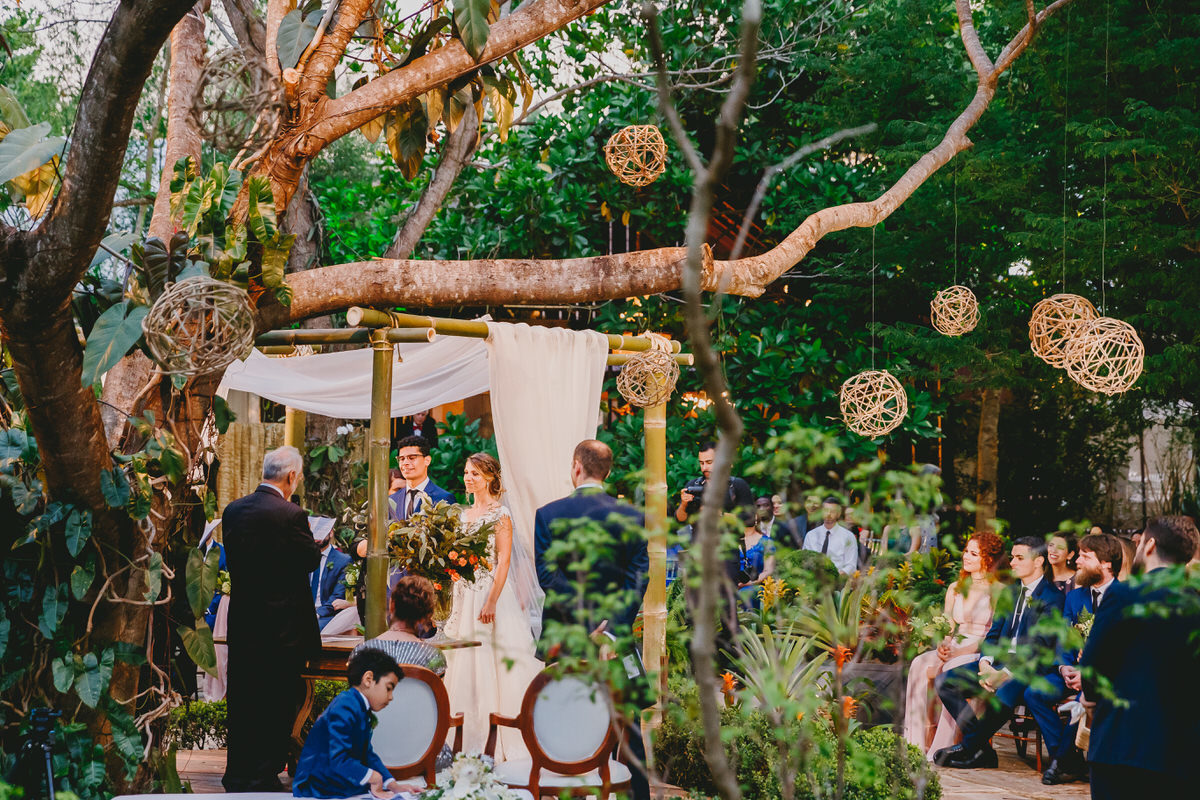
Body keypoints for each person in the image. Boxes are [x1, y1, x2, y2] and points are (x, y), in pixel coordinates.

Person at [533, 439, 650, 800]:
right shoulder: (633, 516)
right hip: (617, 641)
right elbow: (638, 576)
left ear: (576, 467)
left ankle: (567, 792)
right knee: (628, 723)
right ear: (608, 472)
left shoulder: (548, 514)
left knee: (563, 717)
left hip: (566, 635)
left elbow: (549, 577)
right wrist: (610, 630)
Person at [1079, 516, 1200, 800]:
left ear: (1150, 545)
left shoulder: (1123, 594)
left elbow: (1094, 662)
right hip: (1182, 752)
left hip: (1122, 741)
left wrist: (1093, 701)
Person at [222, 446, 321, 792]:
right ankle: (264, 775)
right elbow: (308, 560)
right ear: (291, 476)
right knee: (277, 701)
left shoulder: (233, 511)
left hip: (244, 622)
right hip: (280, 628)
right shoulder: (291, 514)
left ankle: (237, 773)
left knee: (244, 699)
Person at [932, 536, 1065, 769]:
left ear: (1038, 561)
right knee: (946, 682)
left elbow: (1040, 647)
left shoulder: (1053, 598)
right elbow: (993, 634)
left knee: (1004, 694)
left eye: (1019, 558)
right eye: (1012, 557)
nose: (1012, 562)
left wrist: (1003, 674)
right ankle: (981, 748)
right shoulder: (1009, 592)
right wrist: (985, 663)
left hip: (1028, 669)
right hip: (997, 662)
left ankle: (970, 746)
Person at [443, 453, 544, 761]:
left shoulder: (500, 515)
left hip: (490, 592)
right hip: (463, 591)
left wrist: (491, 600)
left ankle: (497, 737)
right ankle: (461, 734)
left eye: (474, 473)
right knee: (463, 661)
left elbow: (504, 561)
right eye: (465, 472)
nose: (467, 478)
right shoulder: (461, 515)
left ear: (488, 477)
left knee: (490, 658)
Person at [1033, 532, 1123, 785]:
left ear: (1106, 563)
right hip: (1072, 671)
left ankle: (1062, 761)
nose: (1078, 562)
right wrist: (1065, 668)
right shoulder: (1074, 597)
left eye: (1085, 556)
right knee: (1034, 693)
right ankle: (1068, 759)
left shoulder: (1125, 597)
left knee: (1088, 696)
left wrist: (1088, 673)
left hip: (1104, 675)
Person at [904, 531, 1002, 757]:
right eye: (966, 551)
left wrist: (961, 651)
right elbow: (948, 628)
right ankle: (917, 742)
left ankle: (945, 744)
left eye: (974, 553)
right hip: (956, 644)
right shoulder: (955, 588)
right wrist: (944, 645)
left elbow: (995, 634)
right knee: (919, 664)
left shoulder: (998, 590)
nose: (966, 556)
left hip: (979, 649)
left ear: (987, 559)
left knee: (949, 670)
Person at [354, 576, 451, 771]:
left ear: (392, 605)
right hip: (422, 755)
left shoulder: (361, 652)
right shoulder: (434, 657)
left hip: (369, 754)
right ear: (428, 615)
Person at [293, 648, 417, 799]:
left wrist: (392, 784)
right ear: (368, 679)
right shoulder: (345, 705)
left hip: (337, 781)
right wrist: (373, 777)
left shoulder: (359, 706)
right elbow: (338, 758)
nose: (391, 697)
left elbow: (367, 753)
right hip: (317, 786)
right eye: (388, 688)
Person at [673, 441, 754, 522]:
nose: (704, 468)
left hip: (728, 534)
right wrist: (683, 505)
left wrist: (721, 515)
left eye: (709, 462)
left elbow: (750, 519)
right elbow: (680, 520)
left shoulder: (736, 485)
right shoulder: (693, 485)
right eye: (701, 463)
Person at [311, 519, 353, 631]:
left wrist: (318, 613)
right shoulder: (303, 557)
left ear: (331, 532)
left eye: (322, 531)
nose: (317, 536)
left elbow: (338, 595)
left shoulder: (343, 560)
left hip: (326, 614)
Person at [802, 497, 858, 575]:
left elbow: (851, 565)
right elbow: (804, 559)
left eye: (832, 511)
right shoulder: (811, 535)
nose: (828, 514)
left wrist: (837, 576)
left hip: (838, 581)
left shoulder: (848, 537)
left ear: (838, 514)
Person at [738, 508, 777, 609]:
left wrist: (747, 583)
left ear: (756, 518)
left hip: (756, 585)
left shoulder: (766, 542)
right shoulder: (731, 540)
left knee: (746, 593)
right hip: (733, 584)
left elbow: (768, 570)